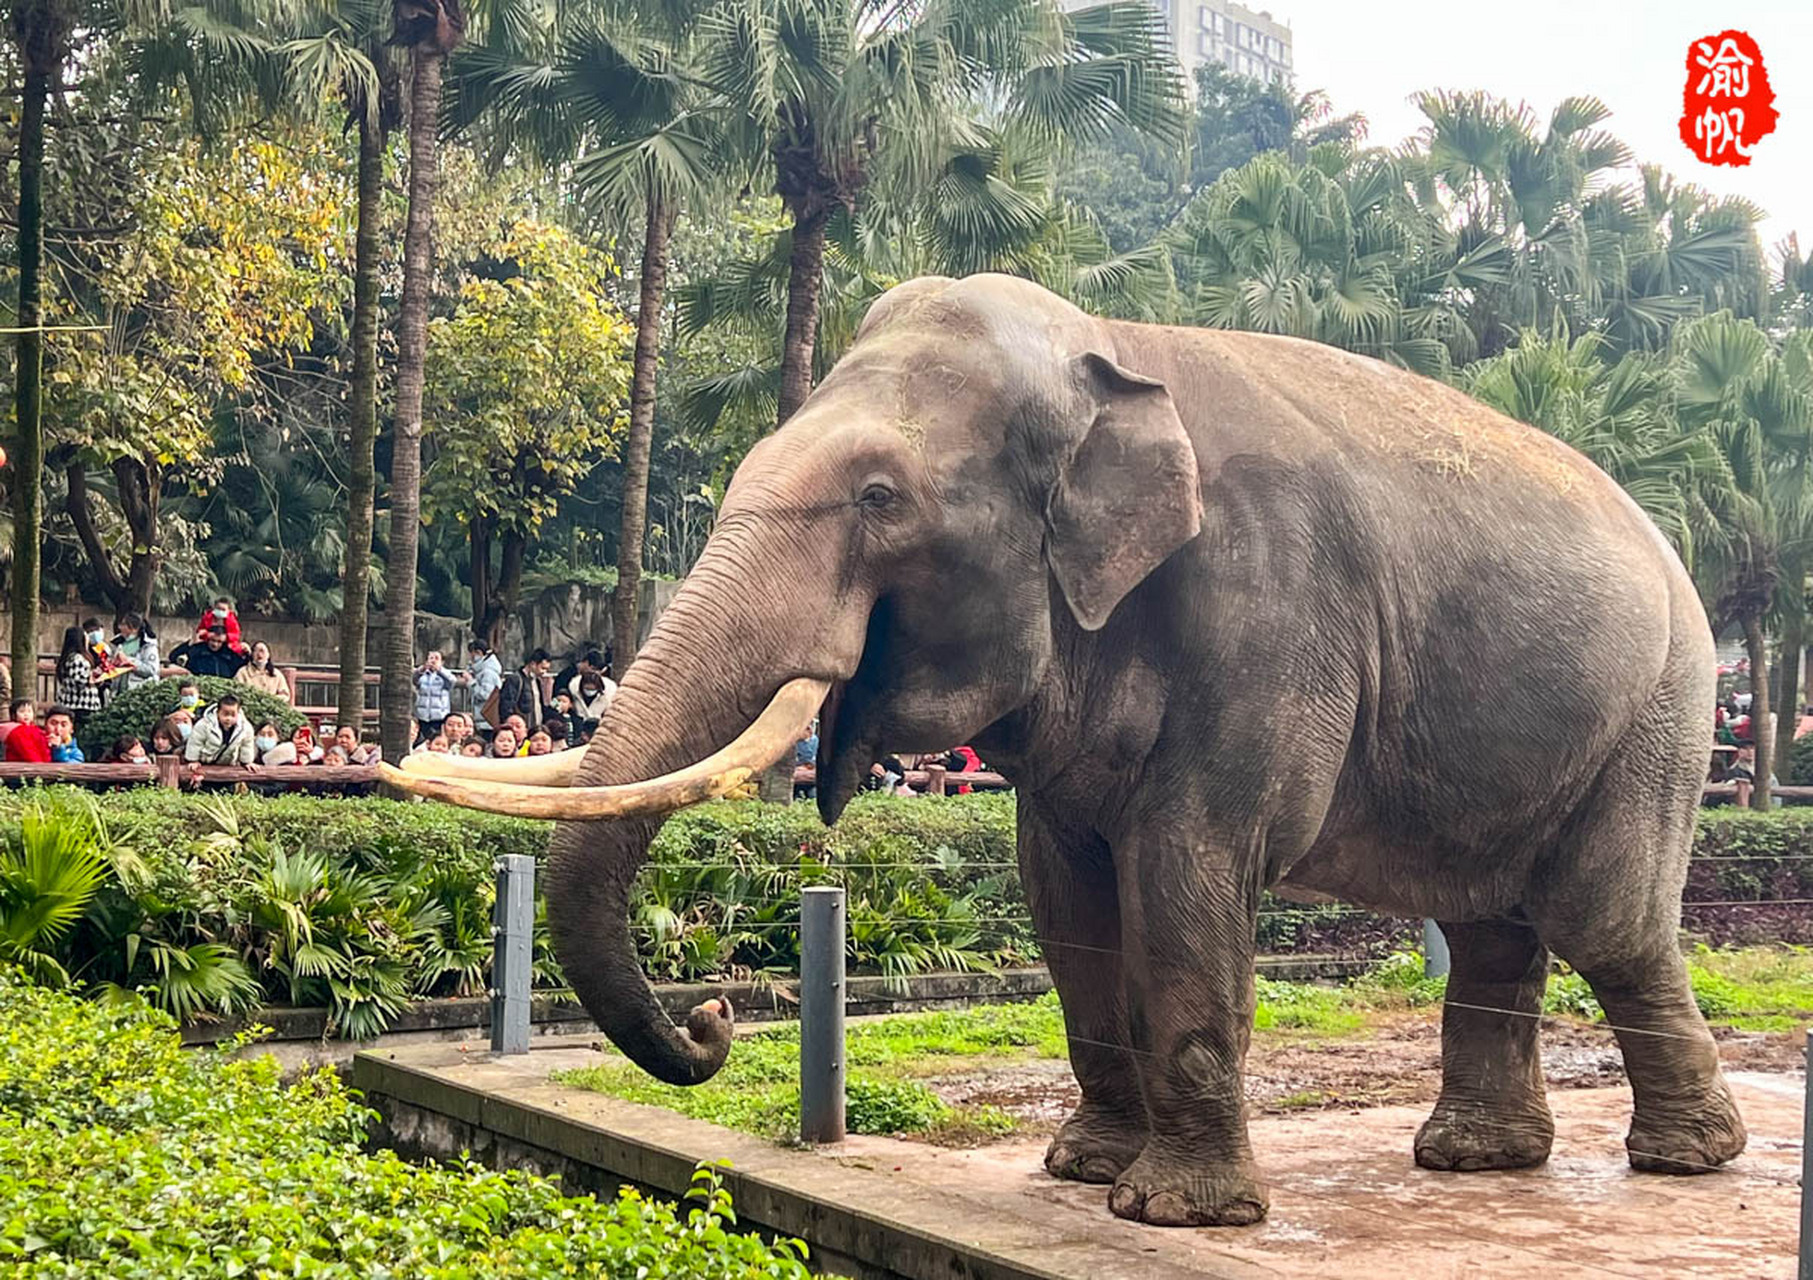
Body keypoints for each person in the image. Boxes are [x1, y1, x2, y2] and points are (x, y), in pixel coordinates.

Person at [184, 692, 256, 770]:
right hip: (205, 764)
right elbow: (195, 743)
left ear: (238, 712)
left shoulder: (245, 728)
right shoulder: (204, 725)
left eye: (233, 715)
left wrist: (247, 762)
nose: (228, 718)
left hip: (229, 766)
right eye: (225, 714)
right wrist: (193, 760)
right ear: (218, 712)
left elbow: (246, 745)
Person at [55, 625, 103, 724]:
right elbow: (79, 679)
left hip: (78, 704)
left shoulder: (71, 657)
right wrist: (94, 677)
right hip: (80, 704)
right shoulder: (76, 658)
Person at [497, 649, 551, 733]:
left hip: (535, 728)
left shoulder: (537, 681)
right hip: (520, 729)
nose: (544, 672)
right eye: (542, 668)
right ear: (533, 664)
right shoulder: (515, 679)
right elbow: (506, 706)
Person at [460, 640, 504, 735]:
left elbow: (485, 695)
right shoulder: (480, 670)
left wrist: (471, 682)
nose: (470, 657)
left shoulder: (488, 672)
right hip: (481, 719)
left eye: (471, 653)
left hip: (487, 720)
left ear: (478, 652)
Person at [172, 625, 247, 679]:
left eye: (219, 641)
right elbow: (173, 657)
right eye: (213, 640)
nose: (215, 644)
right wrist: (190, 644)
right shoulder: (197, 649)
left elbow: (244, 666)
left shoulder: (229, 653)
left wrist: (247, 653)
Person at [112, 614, 161, 691]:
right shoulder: (118, 643)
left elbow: (151, 670)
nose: (120, 627)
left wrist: (130, 662)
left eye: (123, 624)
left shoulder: (147, 645)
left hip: (139, 692)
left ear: (134, 628)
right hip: (119, 692)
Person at [413, 650, 455, 740]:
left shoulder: (445, 674)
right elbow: (413, 679)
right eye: (431, 658)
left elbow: (452, 682)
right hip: (422, 715)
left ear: (442, 662)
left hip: (439, 716)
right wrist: (422, 669)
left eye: (436, 658)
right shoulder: (422, 674)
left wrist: (439, 670)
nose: (433, 661)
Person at [571, 670, 614, 736]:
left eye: (592, 689)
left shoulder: (607, 696)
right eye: (587, 689)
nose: (590, 692)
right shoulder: (574, 693)